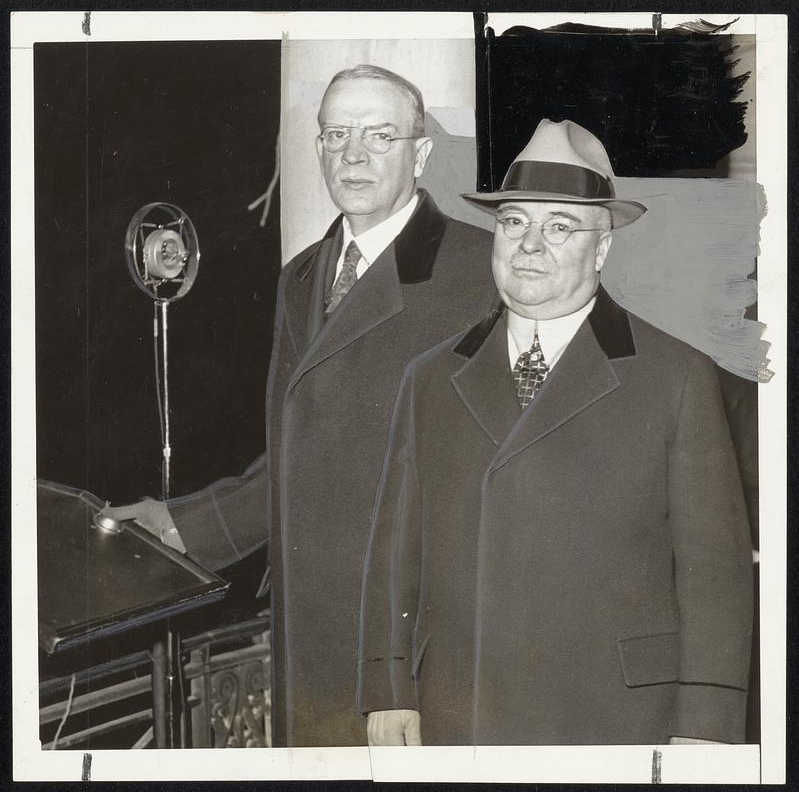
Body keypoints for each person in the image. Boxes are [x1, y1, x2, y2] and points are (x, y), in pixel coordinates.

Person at [104, 64, 497, 746]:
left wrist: (405, 663)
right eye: (335, 135)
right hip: (308, 629)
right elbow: (296, 456)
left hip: (417, 647)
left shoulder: (478, 271)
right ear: (315, 148)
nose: (352, 156)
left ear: (420, 152)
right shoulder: (301, 277)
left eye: (379, 136)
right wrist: (181, 525)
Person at [357, 118, 753, 746]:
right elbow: (394, 556)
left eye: (559, 227)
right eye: (514, 222)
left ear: (601, 249)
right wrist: (387, 689)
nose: (529, 246)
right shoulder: (430, 378)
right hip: (461, 710)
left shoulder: (676, 376)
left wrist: (705, 728)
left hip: (616, 720)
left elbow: (715, 573)